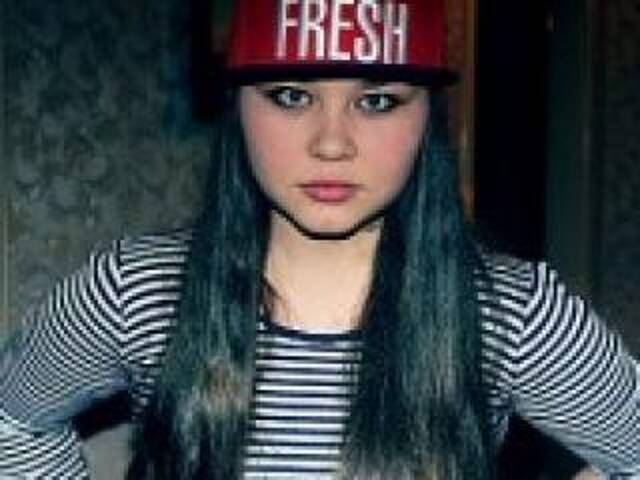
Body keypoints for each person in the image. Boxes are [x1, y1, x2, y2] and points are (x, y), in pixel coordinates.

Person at [1, 0, 639, 478]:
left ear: (427, 112)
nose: (331, 143)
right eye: (290, 95)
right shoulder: (138, 289)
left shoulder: (508, 311)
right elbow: (14, 421)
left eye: (377, 101)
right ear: (238, 104)